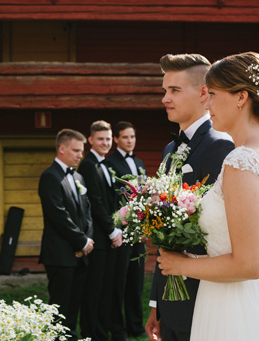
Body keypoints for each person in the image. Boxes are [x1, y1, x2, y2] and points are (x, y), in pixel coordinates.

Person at [156, 51, 259, 341]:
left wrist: (180, 265)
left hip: (236, 305)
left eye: (212, 94)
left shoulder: (240, 162)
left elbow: (249, 263)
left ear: (241, 97)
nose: (207, 103)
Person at [145, 53, 233, 341]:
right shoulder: (170, 149)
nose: (165, 98)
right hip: (170, 300)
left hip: (205, 296)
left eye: (174, 90)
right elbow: (164, 233)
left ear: (203, 92)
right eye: (164, 91)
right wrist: (156, 304)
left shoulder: (221, 146)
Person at [38, 128, 94, 341]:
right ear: (62, 149)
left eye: (82, 151)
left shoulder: (78, 176)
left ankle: (71, 337)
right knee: (59, 305)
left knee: (74, 304)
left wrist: (87, 241)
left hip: (81, 251)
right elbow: (57, 215)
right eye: (76, 150)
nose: (80, 155)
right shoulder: (49, 176)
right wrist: (80, 242)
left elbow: (87, 211)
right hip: (60, 253)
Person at [76, 120, 122, 341]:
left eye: (107, 139)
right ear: (91, 140)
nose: (104, 143)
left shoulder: (105, 164)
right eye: (100, 139)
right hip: (98, 238)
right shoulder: (87, 165)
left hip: (108, 238)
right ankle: (90, 334)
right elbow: (95, 201)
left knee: (106, 290)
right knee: (94, 291)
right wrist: (113, 231)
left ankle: (102, 334)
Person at [106, 121, 146, 340]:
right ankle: (118, 328)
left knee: (136, 282)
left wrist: (143, 226)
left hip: (139, 232)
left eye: (133, 137)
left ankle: (135, 326)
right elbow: (111, 199)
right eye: (125, 137)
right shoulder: (110, 163)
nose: (130, 140)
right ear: (116, 140)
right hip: (120, 232)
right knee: (118, 283)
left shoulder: (139, 163)